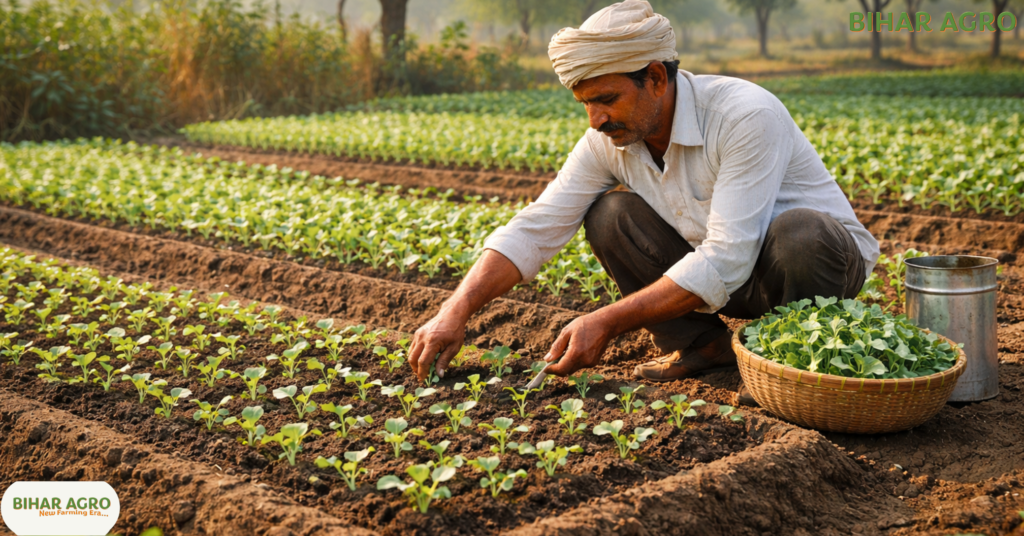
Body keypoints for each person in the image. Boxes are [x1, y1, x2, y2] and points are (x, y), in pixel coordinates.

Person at [406, 0, 879, 404]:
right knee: (610, 215)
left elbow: (729, 257)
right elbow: (538, 226)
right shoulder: (609, 140)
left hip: (813, 269)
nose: (596, 119)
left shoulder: (743, 114)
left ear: (655, 77)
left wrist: (607, 321)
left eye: (606, 98)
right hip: (726, 275)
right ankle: (702, 346)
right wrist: (455, 310)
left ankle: (787, 365)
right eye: (586, 104)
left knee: (801, 232)